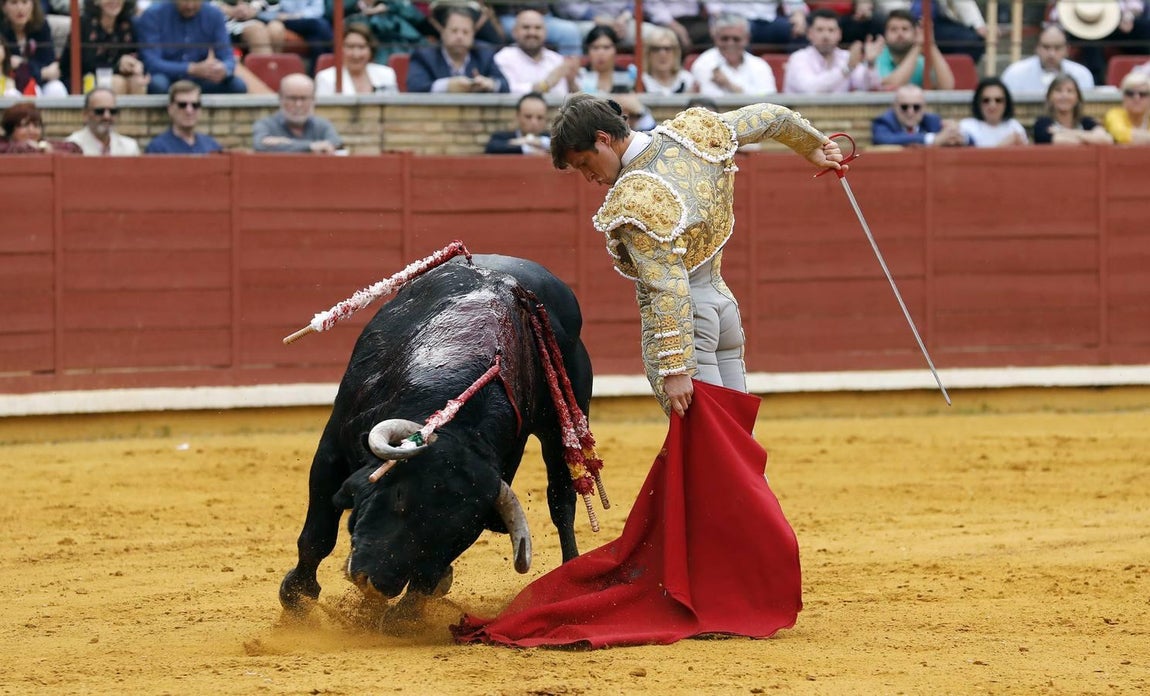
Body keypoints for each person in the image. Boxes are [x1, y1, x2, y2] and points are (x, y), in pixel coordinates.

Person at [549, 93, 844, 414]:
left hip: (689, 331)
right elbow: (770, 117)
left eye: (584, 164)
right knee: (737, 440)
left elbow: (667, 285)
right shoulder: (689, 133)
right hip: (723, 309)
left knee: (712, 448)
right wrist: (813, 146)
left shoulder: (633, 198)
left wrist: (675, 368)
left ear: (603, 140)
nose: (589, 177)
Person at [135, 0, 248, 95]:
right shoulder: (153, 15)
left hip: (200, 78)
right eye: (185, 0)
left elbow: (228, 57)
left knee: (237, 85)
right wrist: (190, 69)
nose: (190, 6)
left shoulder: (214, 14)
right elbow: (151, 63)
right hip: (167, 76)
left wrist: (223, 69)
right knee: (158, 84)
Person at [405, 5, 508, 93]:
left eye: (465, 32)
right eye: (454, 31)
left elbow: (505, 86)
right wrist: (447, 85)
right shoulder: (424, 55)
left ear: (473, 34)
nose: (460, 37)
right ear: (442, 32)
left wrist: (490, 84)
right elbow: (415, 87)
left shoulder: (484, 53)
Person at [1051, 0, 1150, 86]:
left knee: (1145, 29)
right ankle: (1096, 82)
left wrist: (1129, 15)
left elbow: (1135, 5)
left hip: (1115, 22)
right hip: (1080, 25)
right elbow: (1056, 14)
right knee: (1090, 39)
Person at [60, 0, 149, 95]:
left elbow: (137, 52)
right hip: (84, 78)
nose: (114, 1)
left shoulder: (128, 23)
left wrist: (135, 66)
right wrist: (118, 65)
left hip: (117, 74)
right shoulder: (84, 24)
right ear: (95, 1)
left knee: (138, 83)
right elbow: (87, 63)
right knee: (117, 83)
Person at [783, 8, 880, 93]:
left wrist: (870, 64)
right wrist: (845, 70)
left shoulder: (846, 57)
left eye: (831, 30)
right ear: (809, 34)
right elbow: (809, 89)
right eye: (820, 30)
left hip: (841, 113)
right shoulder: (798, 58)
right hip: (801, 113)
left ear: (839, 34)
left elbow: (866, 86)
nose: (826, 36)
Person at [494, 8, 579, 97]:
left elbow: (576, 98)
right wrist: (545, 85)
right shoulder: (503, 58)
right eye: (526, 27)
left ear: (546, 33)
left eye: (537, 28)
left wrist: (571, 82)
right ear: (514, 32)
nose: (532, 32)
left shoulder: (557, 60)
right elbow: (507, 91)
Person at [689, 13, 778, 96]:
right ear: (715, 38)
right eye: (724, 39)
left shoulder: (760, 65)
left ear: (747, 39)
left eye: (736, 39)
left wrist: (729, 85)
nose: (730, 44)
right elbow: (710, 101)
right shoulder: (703, 63)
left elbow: (769, 100)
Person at [252, 73, 343, 153]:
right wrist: (311, 147)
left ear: (313, 99)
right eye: (292, 98)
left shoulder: (322, 125)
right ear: (280, 98)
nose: (298, 104)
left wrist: (284, 144)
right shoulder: (266, 125)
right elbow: (260, 145)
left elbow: (336, 145)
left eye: (304, 98)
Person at [870, 8, 954, 89]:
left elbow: (947, 87)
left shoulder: (921, 62)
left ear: (915, 33)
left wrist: (931, 44)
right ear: (885, 35)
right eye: (893, 29)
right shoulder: (877, 58)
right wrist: (917, 46)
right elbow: (891, 86)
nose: (900, 34)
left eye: (905, 29)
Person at [1000, 25, 1094, 96]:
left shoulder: (1081, 75)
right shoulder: (1015, 74)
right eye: (1046, 47)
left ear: (1067, 50)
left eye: (1057, 48)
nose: (1051, 54)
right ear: (1037, 48)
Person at [1, 0, 68, 96]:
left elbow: (51, 65)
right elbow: (6, 67)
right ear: (4, 8)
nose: (20, 8)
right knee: (12, 94)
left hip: (39, 83)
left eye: (24, 2)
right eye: (14, 3)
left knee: (56, 88)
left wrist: (21, 64)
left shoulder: (42, 27)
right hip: (11, 85)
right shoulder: (2, 31)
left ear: (33, 5)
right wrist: (41, 72)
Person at [314, 22, 398, 95]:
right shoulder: (326, 78)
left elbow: (394, 110)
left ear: (371, 50)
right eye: (350, 47)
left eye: (361, 47)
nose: (356, 54)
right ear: (340, 49)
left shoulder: (386, 74)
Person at [872, 84, 969, 146]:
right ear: (894, 107)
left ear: (924, 108)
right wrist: (932, 139)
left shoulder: (932, 121)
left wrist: (958, 135)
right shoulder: (884, 121)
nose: (911, 112)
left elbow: (971, 141)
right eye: (904, 107)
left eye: (916, 107)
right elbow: (883, 139)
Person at [145, 80, 224, 154]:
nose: (189, 110)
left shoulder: (212, 147)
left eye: (195, 105)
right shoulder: (157, 149)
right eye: (182, 105)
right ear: (170, 109)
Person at [1033, 74, 1113, 146]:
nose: (1064, 95)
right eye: (1058, 90)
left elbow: (1106, 140)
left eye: (1070, 91)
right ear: (1049, 97)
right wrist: (1089, 138)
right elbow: (1061, 142)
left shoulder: (1086, 122)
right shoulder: (1042, 123)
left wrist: (1064, 131)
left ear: (1077, 98)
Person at [340, 0, 429, 63]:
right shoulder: (351, 12)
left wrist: (390, 6)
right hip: (371, 56)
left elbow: (420, 20)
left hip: (400, 49)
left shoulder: (394, 9)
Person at [703, 0, 809, 50]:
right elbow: (714, 7)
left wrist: (798, 14)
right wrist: (719, 21)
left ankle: (793, 72)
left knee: (799, 31)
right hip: (737, 20)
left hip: (770, 20)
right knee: (737, 36)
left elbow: (795, 3)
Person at [66, 87, 141, 155]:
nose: (107, 116)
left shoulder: (129, 148)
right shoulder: (72, 147)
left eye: (112, 111)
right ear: (86, 114)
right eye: (100, 111)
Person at [907, 0, 986, 64]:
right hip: (903, 20)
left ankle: (951, 75)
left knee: (975, 42)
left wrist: (978, 25)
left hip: (936, 24)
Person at [255, 0, 333, 62]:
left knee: (316, 42)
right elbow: (261, 12)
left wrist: (299, 15)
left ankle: (315, 75)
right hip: (283, 20)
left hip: (306, 20)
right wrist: (278, 16)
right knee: (320, 24)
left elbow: (318, 10)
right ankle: (336, 54)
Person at [960, 77, 1028, 148]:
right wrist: (1004, 145)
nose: (992, 105)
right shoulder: (967, 127)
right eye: (986, 100)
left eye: (998, 100)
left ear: (1006, 103)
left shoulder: (1014, 126)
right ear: (978, 103)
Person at [485, 90, 550, 155]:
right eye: (528, 117)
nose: (534, 122)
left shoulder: (552, 138)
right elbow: (492, 148)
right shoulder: (500, 138)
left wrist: (539, 142)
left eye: (540, 117)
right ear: (517, 116)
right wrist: (526, 148)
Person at [0, 101, 81, 153]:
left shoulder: (42, 144)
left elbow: (74, 149)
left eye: (36, 125)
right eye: (24, 125)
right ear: (10, 129)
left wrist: (50, 149)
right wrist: (33, 149)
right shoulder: (4, 145)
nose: (32, 130)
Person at [639, 25, 698, 95]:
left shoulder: (687, 80)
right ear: (648, 54)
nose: (662, 54)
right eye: (656, 49)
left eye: (668, 49)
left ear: (676, 53)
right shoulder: (640, 82)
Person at [575, 24, 635, 94]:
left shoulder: (627, 75)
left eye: (606, 47)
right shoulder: (580, 75)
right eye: (595, 48)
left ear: (616, 49)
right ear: (588, 50)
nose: (601, 53)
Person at [1104, 70, 1150, 145]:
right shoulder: (1114, 114)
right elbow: (1120, 135)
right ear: (1123, 96)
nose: (1136, 98)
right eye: (1130, 93)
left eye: (1142, 94)